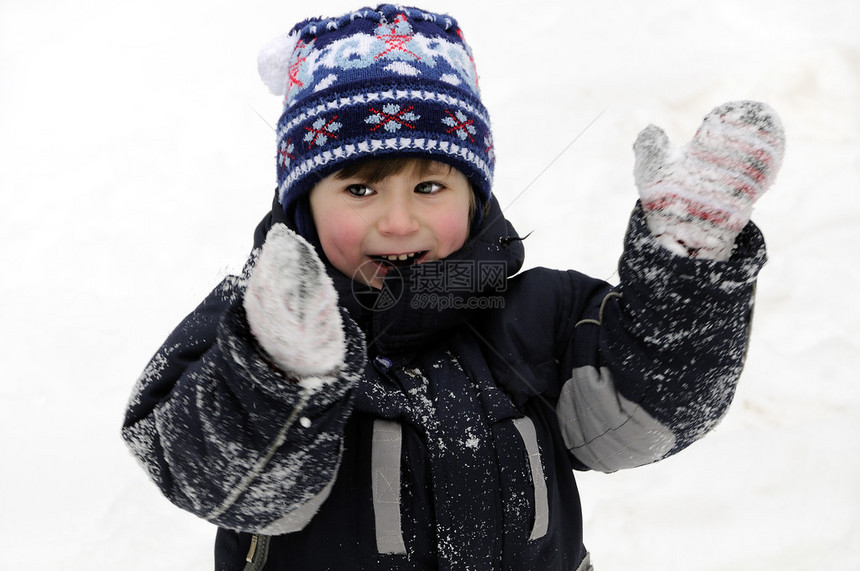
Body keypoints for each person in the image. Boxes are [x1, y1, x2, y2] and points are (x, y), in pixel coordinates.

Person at [121, 4, 785, 570]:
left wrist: (687, 272)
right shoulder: (255, 324)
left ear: (474, 195)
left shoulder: (543, 315)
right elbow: (218, 477)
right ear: (302, 204)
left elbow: (647, 418)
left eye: (430, 186)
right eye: (359, 188)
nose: (399, 219)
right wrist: (277, 370)